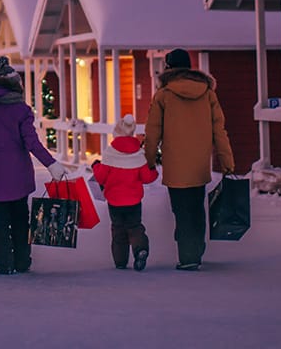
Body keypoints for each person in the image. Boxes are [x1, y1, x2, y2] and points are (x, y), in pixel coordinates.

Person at [0, 56, 68, 275]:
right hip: (18, 177)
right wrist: (51, 164)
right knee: (20, 221)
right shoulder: (21, 110)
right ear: (15, 85)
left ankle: (4, 264)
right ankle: (22, 262)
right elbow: (32, 142)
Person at [143, 48, 234, 271]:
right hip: (199, 165)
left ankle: (187, 256)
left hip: (175, 166)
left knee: (181, 211)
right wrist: (227, 161)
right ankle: (195, 249)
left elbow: (152, 132)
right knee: (196, 208)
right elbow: (219, 130)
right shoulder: (208, 93)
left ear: (169, 68)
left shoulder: (163, 95)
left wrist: (150, 160)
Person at [91, 114, 158, 270]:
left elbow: (100, 177)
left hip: (114, 201)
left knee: (118, 230)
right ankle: (140, 249)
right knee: (135, 226)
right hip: (134, 201)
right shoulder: (138, 154)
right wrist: (154, 171)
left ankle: (120, 261)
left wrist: (96, 166)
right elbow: (147, 177)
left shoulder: (110, 153)